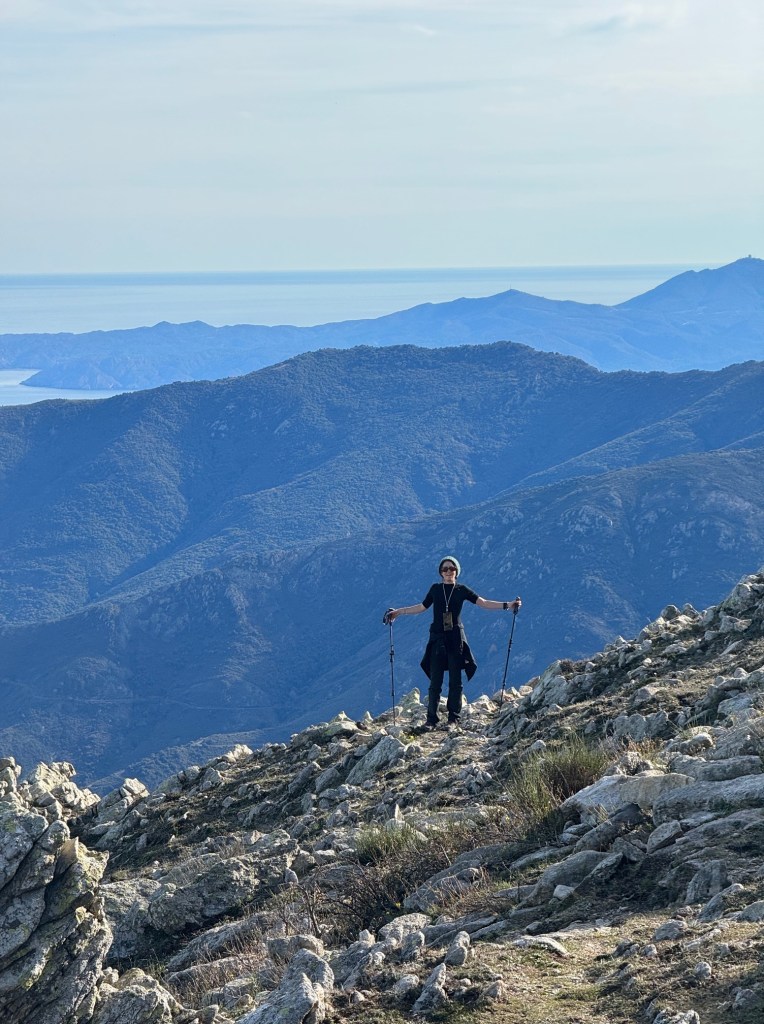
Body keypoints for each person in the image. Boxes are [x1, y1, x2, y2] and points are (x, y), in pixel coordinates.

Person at [385, 557, 521, 731]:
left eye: (451, 569)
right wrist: (399, 612)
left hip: (456, 639)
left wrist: (507, 605)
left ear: (457, 571)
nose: (448, 572)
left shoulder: (461, 590)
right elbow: (421, 607)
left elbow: (484, 603)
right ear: (441, 572)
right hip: (437, 639)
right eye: (445, 569)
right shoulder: (435, 589)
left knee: (455, 681)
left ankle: (453, 719)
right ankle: (431, 720)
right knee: (435, 682)